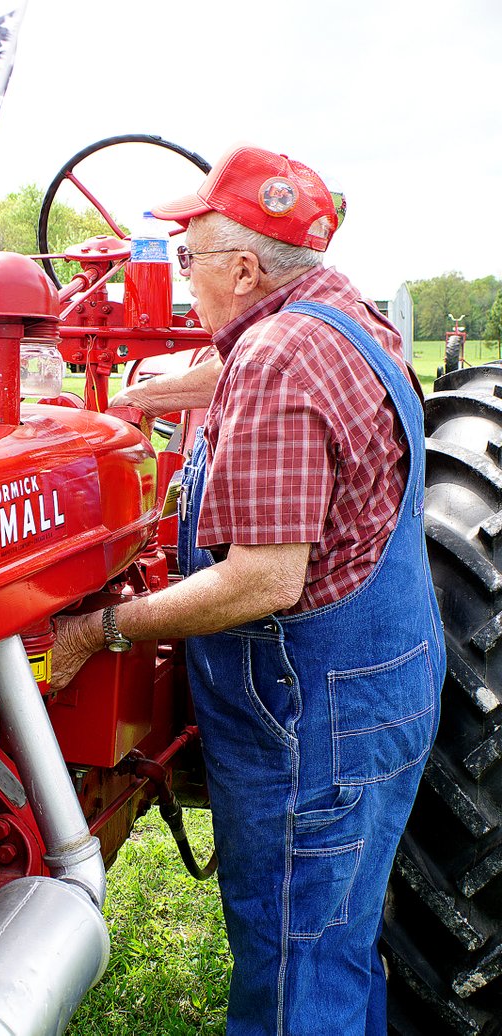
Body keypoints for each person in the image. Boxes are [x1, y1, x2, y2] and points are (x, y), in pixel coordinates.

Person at [51, 143, 445, 1035]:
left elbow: (264, 579)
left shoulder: (278, 359)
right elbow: (235, 369)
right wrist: (145, 403)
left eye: (189, 258)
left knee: (294, 963)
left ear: (242, 267)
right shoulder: (343, 316)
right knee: (337, 939)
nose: (184, 275)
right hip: (383, 686)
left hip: (313, 724)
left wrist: (100, 630)